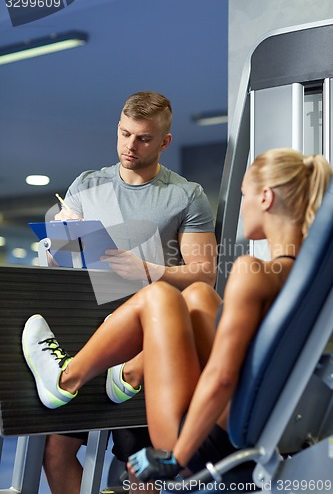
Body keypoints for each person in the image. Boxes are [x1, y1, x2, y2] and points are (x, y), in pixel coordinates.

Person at [22, 148, 332, 485]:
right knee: (196, 294)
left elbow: (222, 376)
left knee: (158, 296)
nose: (242, 205)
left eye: (244, 194)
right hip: (250, 428)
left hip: (202, 443)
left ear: (266, 198)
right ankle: (125, 372)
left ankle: (66, 378)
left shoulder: (253, 271)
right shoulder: (307, 280)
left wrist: (175, 457)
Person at [42, 90, 217, 494]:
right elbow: (58, 265)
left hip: (145, 345)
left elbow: (204, 276)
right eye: (124, 134)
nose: (130, 146)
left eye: (142, 138)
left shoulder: (186, 195)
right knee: (56, 452)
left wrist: (148, 270)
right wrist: (57, 239)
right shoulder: (86, 185)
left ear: (164, 142)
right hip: (89, 334)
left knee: (140, 470)